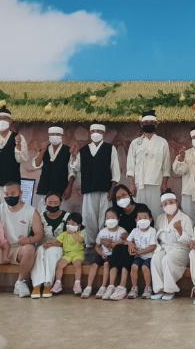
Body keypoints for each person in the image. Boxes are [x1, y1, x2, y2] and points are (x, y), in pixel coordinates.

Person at [70, 122, 121, 254]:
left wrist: (112, 189)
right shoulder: (83, 150)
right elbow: (76, 167)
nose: (96, 133)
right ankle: (90, 244)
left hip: (106, 189)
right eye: (93, 131)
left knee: (104, 217)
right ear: (90, 133)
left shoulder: (110, 148)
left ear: (103, 133)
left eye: (99, 131)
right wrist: (74, 155)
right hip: (89, 189)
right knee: (89, 217)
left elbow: (115, 170)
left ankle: (104, 243)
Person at [105, 184, 151, 301]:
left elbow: (149, 227)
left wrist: (130, 239)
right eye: (118, 197)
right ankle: (111, 286)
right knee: (118, 249)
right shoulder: (117, 213)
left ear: (130, 194)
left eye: (124, 195)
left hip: (141, 244)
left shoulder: (141, 208)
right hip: (123, 243)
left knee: (125, 250)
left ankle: (122, 286)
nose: (122, 198)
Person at [125, 109, 172, 220]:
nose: (148, 124)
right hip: (139, 185)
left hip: (156, 184)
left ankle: (156, 230)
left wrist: (164, 184)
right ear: (141, 124)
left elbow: (166, 165)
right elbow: (130, 165)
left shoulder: (162, 142)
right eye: (146, 122)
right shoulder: (135, 143)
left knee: (156, 212)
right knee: (139, 212)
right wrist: (132, 184)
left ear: (156, 124)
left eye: (151, 122)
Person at [150, 192, 194, 300]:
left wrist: (179, 230)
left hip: (181, 249)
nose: (168, 205)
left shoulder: (185, 218)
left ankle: (170, 290)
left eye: (171, 202)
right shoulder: (160, 218)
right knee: (155, 259)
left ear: (177, 203)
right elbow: (156, 236)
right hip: (164, 247)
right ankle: (159, 289)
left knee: (167, 259)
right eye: (165, 204)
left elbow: (190, 241)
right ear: (162, 206)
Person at [84, 207, 127, 299]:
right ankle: (88, 287)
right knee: (94, 265)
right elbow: (97, 246)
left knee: (107, 264)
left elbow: (126, 243)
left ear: (118, 219)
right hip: (102, 254)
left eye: (113, 217)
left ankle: (103, 287)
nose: (110, 220)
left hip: (113, 256)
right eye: (108, 218)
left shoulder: (122, 231)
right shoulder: (102, 231)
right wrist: (101, 253)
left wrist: (117, 243)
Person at [30, 192, 68, 298]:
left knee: (51, 252)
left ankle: (47, 284)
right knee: (39, 251)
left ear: (60, 203)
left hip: (60, 247)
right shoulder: (40, 216)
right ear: (45, 203)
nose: (52, 205)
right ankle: (36, 285)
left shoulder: (67, 217)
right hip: (43, 245)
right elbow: (33, 234)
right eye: (50, 203)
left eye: (55, 203)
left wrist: (55, 244)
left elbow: (71, 237)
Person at [30, 126, 75, 211]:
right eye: (52, 134)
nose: (54, 136)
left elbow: (72, 171)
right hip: (45, 188)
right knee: (43, 212)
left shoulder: (68, 150)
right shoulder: (44, 149)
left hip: (61, 188)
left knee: (61, 213)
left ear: (62, 136)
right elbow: (36, 165)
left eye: (57, 134)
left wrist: (69, 187)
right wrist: (43, 151)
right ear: (49, 136)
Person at [126, 208, 157, 299]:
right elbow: (128, 240)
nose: (142, 220)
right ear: (136, 220)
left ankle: (148, 288)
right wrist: (131, 244)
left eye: (145, 218)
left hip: (149, 257)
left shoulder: (152, 231)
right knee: (134, 267)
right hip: (138, 256)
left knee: (144, 267)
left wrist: (139, 252)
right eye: (140, 218)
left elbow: (152, 247)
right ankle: (134, 288)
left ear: (150, 220)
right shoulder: (135, 230)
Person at [54, 212, 86, 295]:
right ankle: (58, 283)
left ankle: (77, 284)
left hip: (78, 254)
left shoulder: (81, 233)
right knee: (60, 265)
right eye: (68, 223)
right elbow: (57, 242)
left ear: (78, 226)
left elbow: (80, 240)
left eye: (73, 224)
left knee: (77, 264)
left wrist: (73, 233)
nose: (69, 225)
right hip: (67, 254)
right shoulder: (64, 234)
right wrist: (49, 244)